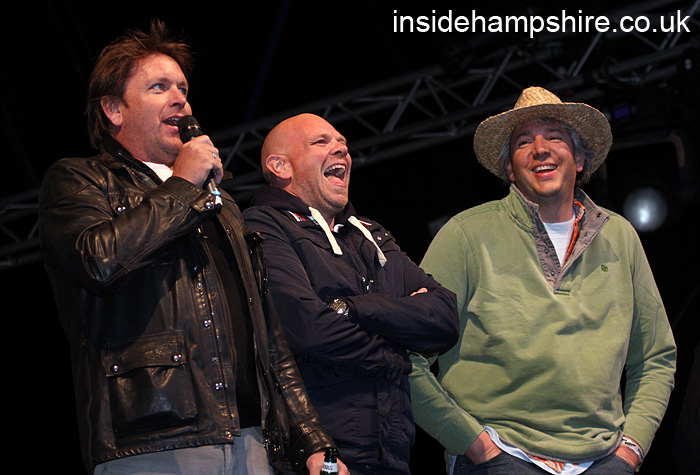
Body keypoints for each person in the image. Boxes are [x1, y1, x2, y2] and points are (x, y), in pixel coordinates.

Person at [38, 20, 348, 475]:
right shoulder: (79, 180)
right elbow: (98, 262)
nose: (179, 99)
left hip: (251, 441)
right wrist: (183, 185)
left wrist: (312, 439)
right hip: (154, 438)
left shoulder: (219, 205)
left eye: (182, 88)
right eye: (159, 87)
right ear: (114, 109)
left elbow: (268, 338)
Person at [409, 87, 677, 475]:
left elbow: (655, 356)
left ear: (580, 159)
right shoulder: (466, 235)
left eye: (553, 136)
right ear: (509, 169)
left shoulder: (619, 237)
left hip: (604, 458)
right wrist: (470, 442)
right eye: (523, 142)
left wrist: (631, 448)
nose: (540, 149)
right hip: (503, 456)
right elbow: (407, 354)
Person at [242, 113, 460, 474]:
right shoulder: (262, 225)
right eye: (321, 142)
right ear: (280, 166)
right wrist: (398, 351)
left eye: (342, 142)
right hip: (318, 455)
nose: (341, 149)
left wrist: (358, 308)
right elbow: (309, 329)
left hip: (392, 453)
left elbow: (445, 317)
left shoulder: (369, 233)